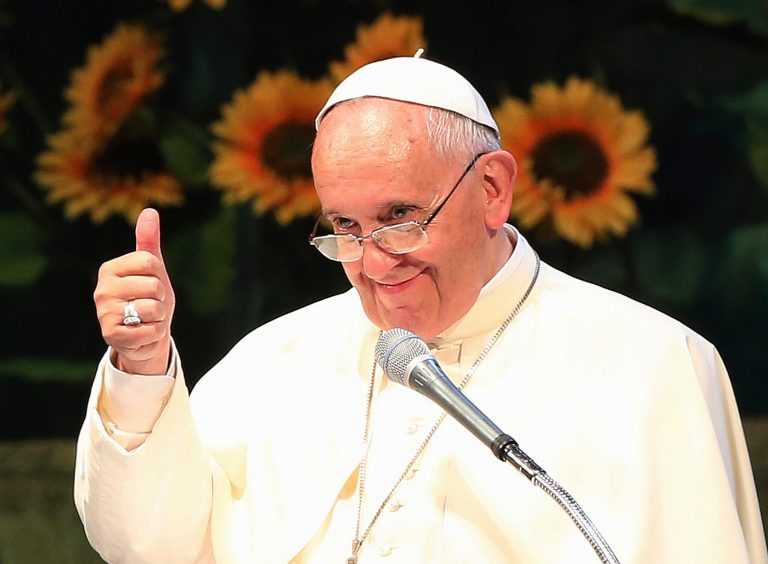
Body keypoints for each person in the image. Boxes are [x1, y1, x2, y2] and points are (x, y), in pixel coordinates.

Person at [75, 53, 767, 563]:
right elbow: (144, 543)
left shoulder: (653, 366)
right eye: (344, 228)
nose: (373, 264)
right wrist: (141, 371)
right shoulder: (273, 359)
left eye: (401, 217)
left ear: (493, 189)